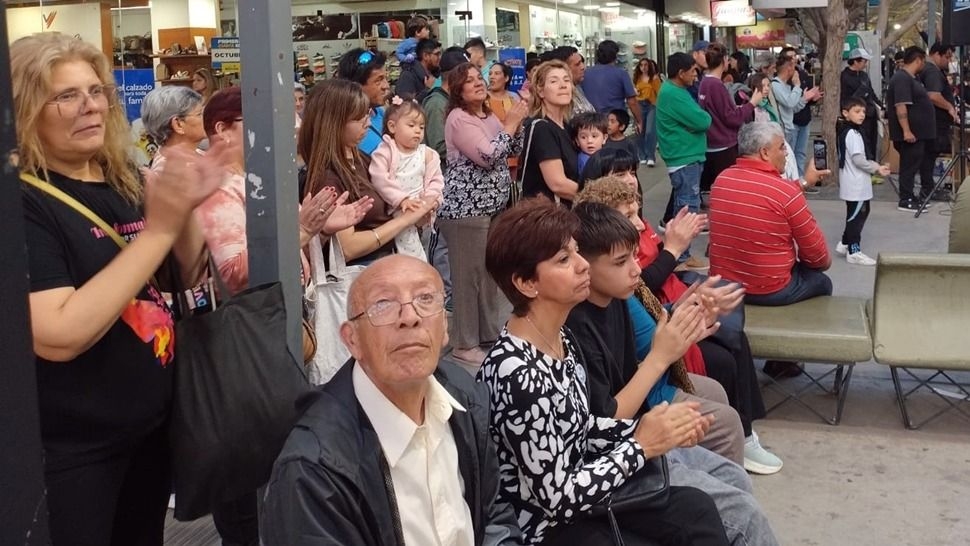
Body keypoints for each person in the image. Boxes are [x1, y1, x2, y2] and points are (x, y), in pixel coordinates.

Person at [12, 31, 225, 545]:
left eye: (96, 91)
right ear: (25, 109)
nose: (90, 106)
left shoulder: (119, 176)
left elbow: (178, 278)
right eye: (66, 96)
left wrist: (185, 207)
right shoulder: (23, 202)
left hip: (147, 430)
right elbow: (59, 333)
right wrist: (160, 230)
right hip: (72, 451)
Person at [480, 198, 730, 546]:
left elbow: (581, 427)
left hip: (585, 493)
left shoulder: (559, 338)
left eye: (576, 252)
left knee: (698, 510)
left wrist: (655, 427)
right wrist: (641, 444)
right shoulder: (516, 373)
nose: (583, 265)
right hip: (548, 528)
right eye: (564, 259)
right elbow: (558, 498)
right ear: (525, 283)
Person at [193, 87, 368, 542]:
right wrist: (304, 230)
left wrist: (317, 227)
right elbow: (236, 272)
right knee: (251, 476)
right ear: (222, 130)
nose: (284, 131)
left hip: (269, 333)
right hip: (246, 345)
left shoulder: (253, 179)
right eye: (261, 121)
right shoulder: (217, 189)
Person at [260, 255, 524, 546]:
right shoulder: (313, 469)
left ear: (445, 326)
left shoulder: (464, 397)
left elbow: (492, 514)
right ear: (352, 340)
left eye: (425, 298)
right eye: (383, 303)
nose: (409, 317)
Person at [563, 204, 781, 543]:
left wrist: (686, 317)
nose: (636, 269)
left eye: (634, 256)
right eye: (621, 262)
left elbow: (649, 342)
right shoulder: (574, 324)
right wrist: (661, 358)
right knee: (742, 513)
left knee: (734, 478)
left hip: (633, 438)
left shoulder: (615, 299)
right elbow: (607, 419)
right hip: (615, 460)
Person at [438, 62, 526, 369]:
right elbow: (488, 156)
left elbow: (511, 148)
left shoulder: (486, 115)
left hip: (492, 207)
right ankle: (464, 344)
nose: (478, 83)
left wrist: (518, 122)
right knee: (468, 279)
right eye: (469, 80)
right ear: (457, 90)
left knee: (489, 275)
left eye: (480, 77)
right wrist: (511, 123)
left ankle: (488, 335)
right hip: (466, 211)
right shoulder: (459, 119)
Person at [301, 79, 434, 266]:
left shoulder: (362, 159)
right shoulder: (328, 177)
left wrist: (416, 211)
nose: (368, 123)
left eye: (367, 114)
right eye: (358, 118)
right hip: (364, 272)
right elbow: (348, 248)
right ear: (334, 122)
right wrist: (405, 220)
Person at [709, 121, 831, 306]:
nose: (787, 152)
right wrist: (823, 263)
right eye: (782, 147)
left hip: (724, 286)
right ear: (764, 153)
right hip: (769, 289)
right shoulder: (786, 194)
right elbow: (817, 255)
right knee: (822, 281)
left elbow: (763, 196)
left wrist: (805, 182)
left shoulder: (721, 180)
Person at [368, 97, 444, 259]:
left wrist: (431, 200)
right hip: (399, 209)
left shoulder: (427, 154)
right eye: (411, 125)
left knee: (426, 245)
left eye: (421, 127)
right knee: (409, 250)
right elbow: (379, 178)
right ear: (392, 127)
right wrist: (401, 199)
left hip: (423, 209)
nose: (417, 131)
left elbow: (436, 180)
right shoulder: (385, 152)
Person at [656, 52, 711, 269]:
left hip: (686, 156)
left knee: (685, 205)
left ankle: (679, 254)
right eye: (692, 72)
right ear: (681, 73)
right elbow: (703, 120)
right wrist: (695, 124)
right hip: (684, 158)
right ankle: (682, 256)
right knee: (687, 208)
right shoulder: (673, 94)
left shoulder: (675, 91)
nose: (695, 76)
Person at [699, 43, 762, 195]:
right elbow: (731, 118)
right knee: (729, 189)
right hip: (723, 146)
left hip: (710, 143)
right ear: (723, 60)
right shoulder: (716, 85)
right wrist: (752, 103)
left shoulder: (704, 83)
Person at [836, 98, 892, 266]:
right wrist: (876, 168)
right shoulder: (853, 134)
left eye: (863, 112)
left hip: (852, 182)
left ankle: (845, 243)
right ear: (845, 113)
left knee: (857, 213)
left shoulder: (846, 131)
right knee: (857, 216)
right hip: (856, 184)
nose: (861, 115)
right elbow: (859, 160)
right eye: (857, 111)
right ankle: (854, 251)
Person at [520, 60, 582, 205]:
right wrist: (599, 197)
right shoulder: (541, 128)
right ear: (540, 91)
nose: (563, 85)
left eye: (566, 80)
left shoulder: (567, 126)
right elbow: (558, 184)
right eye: (554, 81)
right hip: (548, 214)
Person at [888, 46, 937, 212]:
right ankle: (906, 197)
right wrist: (906, 130)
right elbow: (901, 105)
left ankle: (912, 195)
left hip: (920, 133)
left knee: (916, 163)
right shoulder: (902, 78)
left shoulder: (913, 78)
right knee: (909, 165)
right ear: (918, 60)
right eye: (923, 61)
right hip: (911, 133)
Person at [921, 42, 959, 200]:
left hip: (937, 121)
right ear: (936, 54)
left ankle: (928, 187)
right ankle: (928, 189)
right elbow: (933, 95)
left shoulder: (935, 71)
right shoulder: (932, 72)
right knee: (929, 155)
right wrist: (949, 107)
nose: (948, 61)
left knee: (930, 155)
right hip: (935, 122)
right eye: (947, 57)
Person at [336, 48, 391, 155]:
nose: (386, 86)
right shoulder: (347, 129)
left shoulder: (378, 112)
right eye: (378, 80)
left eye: (385, 78)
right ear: (355, 86)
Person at [580, 40, 642, 131]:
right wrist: (639, 121)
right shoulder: (621, 74)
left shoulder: (585, 74)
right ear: (615, 55)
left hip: (592, 121)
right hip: (615, 122)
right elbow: (632, 102)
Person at [770, 56, 821, 160]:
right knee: (787, 159)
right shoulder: (776, 85)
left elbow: (792, 108)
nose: (796, 71)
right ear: (788, 69)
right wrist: (797, 86)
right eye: (794, 67)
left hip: (789, 128)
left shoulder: (785, 85)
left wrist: (804, 99)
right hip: (783, 129)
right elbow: (790, 102)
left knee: (796, 155)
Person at [139, 86, 206, 163]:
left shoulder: (197, 155)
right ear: (178, 124)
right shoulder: (171, 169)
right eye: (199, 114)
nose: (206, 117)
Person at [781, 47, 819, 176]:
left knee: (801, 153)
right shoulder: (781, 79)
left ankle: (800, 178)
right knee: (789, 153)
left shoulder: (802, 74)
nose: (793, 60)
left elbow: (808, 95)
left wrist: (813, 98)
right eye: (789, 57)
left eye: (794, 56)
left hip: (805, 119)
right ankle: (790, 179)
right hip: (791, 121)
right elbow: (789, 102)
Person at [840, 48, 882, 161]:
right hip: (856, 116)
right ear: (856, 61)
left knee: (872, 142)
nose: (865, 64)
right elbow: (845, 98)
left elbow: (871, 92)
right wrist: (860, 93)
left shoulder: (864, 75)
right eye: (864, 61)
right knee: (862, 143)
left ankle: (872, 163)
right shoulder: (844, 76)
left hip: (870, 114)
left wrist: (881, 106)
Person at [487, 62, 523, 177]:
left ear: (506, 78)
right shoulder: (483, 99)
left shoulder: (514, 98)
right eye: (490, 74)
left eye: (497, 73)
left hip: (512, 152)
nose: (492, 77)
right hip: (490, 151)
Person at [544, 45, 595, 115]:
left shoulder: (578, 88)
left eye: (582, 62)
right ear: (564, 68)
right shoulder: (561, 96)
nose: (583, 67)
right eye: (577, 64)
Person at [634, 57, 662, 166]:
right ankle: (642, 155)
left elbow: (659, 93)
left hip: (651, 104)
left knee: (650, 131)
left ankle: (650, 156)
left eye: (645, 65)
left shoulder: (654, 78)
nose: (643, 67)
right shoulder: (637, 78)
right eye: (641, 65)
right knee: (640, 131)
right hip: (639, 104)